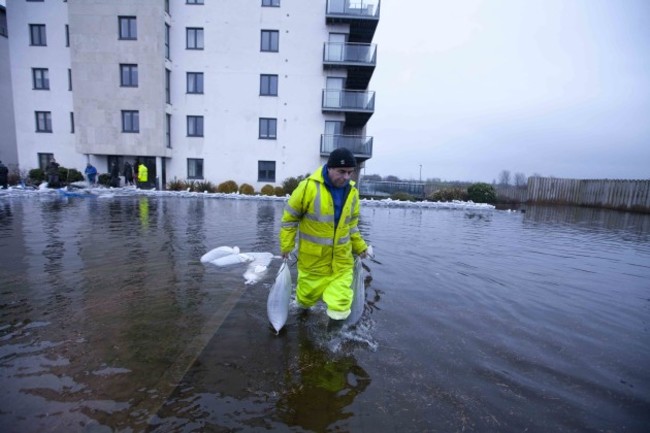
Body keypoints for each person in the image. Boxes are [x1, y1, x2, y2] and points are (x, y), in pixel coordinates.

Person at [279, 147, 368, 327]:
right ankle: (303, 319)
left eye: (350, 172)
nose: (346, 177)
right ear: (329, 168)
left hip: (342, 263)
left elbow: (351, 225)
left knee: (341, 304)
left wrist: (360, 246)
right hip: (313, 262)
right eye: (341, 171)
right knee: (304, 300)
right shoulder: (307, 188)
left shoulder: (352, 193)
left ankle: (331, 343)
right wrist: (286, 245)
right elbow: (290, 219)